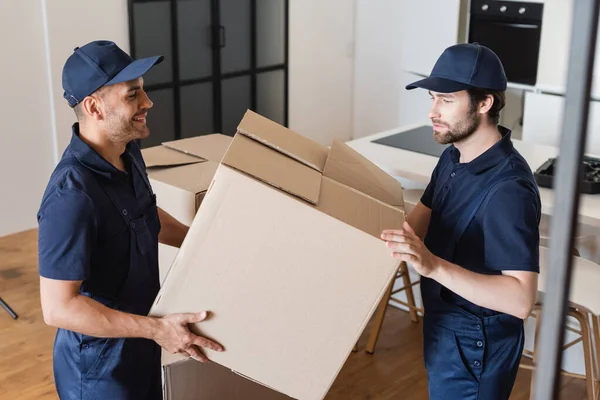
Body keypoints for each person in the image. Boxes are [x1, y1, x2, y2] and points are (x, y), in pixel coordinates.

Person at [37, 40, 224, 400]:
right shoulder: (71, 197)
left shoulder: (126, 152)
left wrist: (198, 243)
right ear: (94, 107)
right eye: (132, 95)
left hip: (141, 343)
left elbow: (143, 212)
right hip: (98, 370)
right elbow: (58, 307)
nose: (148, 103)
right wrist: (156, 330)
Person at [381, 43, 541, 400]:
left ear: (484, 104)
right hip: (444, 325)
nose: (432, 112)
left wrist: (432, 265)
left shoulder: (508, 190)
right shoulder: (454, 156)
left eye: (446, 100)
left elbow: (520, 300)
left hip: (477, 345)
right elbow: (420, 219)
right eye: (433, 98)